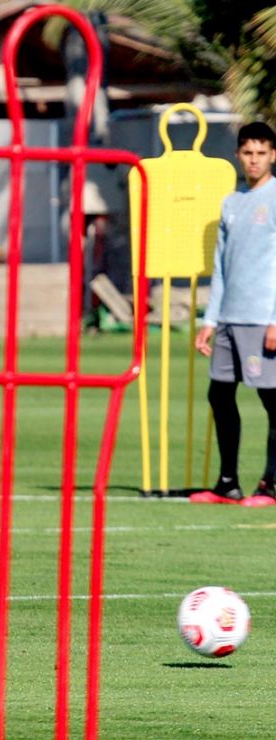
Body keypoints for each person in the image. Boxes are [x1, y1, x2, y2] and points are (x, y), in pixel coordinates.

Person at [193, 121, 276, 507]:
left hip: (263, 319)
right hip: (229, 318)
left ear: (272, 155)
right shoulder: (231, 202)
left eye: (261, 153)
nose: (254, 160)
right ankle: (228, 483)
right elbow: (221, 267)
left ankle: (271, 484)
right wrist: (209, 320)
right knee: (219, 394)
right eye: (248, 152)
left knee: (272, 401)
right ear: (238, 155)